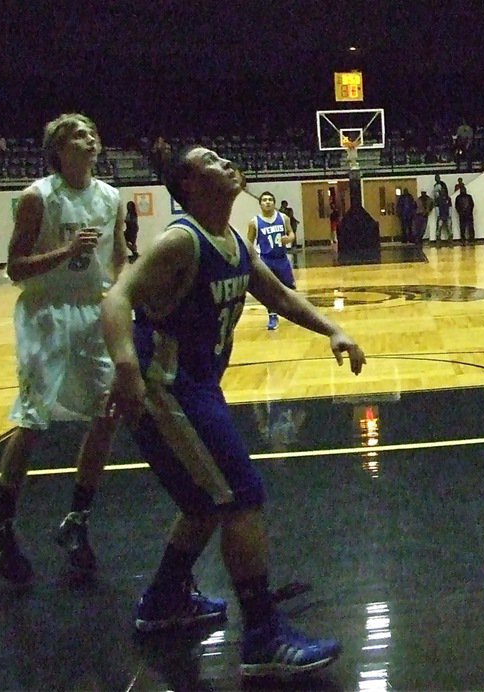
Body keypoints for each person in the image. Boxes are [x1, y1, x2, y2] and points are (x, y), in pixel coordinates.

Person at [101, 143, 365, 680]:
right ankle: (263, 636)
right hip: (165, 390)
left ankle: (162, 602)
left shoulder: (233, 240)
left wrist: (333, 329)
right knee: (241, 497)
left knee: (202, 503)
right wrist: (126, 365)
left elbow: (280, 297)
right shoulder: (181, 241)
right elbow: (116, 298)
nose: (226, 163)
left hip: (196, 386)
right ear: (192, 186)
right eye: (212, 162)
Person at [0, 113, 126, 587]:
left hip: (92, 311)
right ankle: (1, 523)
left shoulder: (111, 198)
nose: (89, 139)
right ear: (59, 149)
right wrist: (64, 253)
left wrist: (121, 298)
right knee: (33, 418)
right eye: (77, 135)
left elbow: (119, 256)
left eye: (92, 132)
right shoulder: (37, 197)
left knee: (109, 412)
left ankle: (77, 520)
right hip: (46, 313)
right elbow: (16, 267)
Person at [247, 191, 295, 330]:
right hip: (266, 260)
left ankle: (293, 313)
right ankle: (272, 316)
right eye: (264, 200)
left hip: (281, 258)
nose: (267, 202)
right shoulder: (254, 222)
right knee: (269, 290)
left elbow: (291, 233)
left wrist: (289, 238)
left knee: (289, 287)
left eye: (270, 200)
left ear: (274, 203)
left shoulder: (283, 218)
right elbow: (249, 242)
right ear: (260, 204)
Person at [278, 199, 300, 266]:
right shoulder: (281, 211)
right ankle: (286, 247)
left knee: (292, 234)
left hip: (291, 223)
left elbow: (291, 216)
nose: (286, 205)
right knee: (284, 235)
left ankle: (293, 246)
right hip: (285, 224)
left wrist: (296, 221)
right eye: (285, 204)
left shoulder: (289, 210)